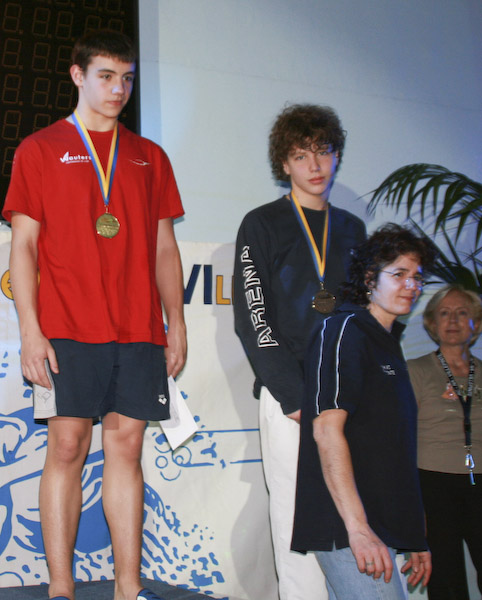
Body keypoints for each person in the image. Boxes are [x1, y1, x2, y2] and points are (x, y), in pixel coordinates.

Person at [2, 30, 186, 600]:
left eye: (127, 78)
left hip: (138, 329)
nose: (118, 89)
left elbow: (164, 249)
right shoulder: (39, 149)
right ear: (78, 76)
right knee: (67, 448)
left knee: (127, 450)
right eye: (106, 76)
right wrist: (30, 330)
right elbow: (23, 247)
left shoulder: (150, 156)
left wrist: (176, 322)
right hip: (66, 328)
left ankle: (128, 588)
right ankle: (61, 588)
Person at [233, 103, 366, 600]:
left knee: (350, 515)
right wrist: (293, 395)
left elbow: (363, 319)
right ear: (284, 163)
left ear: (337, 156)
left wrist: (357, 391)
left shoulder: (352, 229)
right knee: (294, 520)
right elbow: (253, 317)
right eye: (301, 155)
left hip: (344, 398)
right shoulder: (262, 224)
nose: (315, 165)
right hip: (289, 396)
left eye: (324, 151)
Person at [292, 224, 434, 599]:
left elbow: (392, 449)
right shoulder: (343, 329)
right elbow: (326, 431)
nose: (411, 285)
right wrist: (357, 528)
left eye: (417, 277)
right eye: (399, 274)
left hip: (381, 528)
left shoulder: (388, 343)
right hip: (349, 528)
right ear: (370, 278)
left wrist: (413, 534)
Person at [407, 285, 482, 600]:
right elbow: (402, 439)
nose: (453, 320)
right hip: (433, 485)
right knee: (447, 583)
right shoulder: (415, 371)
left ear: (476, 324)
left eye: (462, 313)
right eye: (445, 313)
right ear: (432, 324)